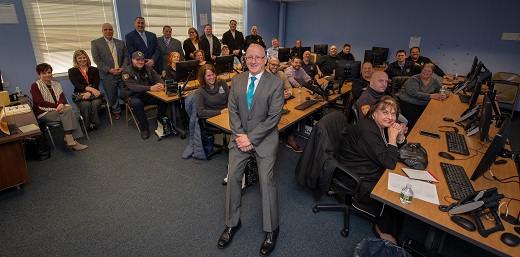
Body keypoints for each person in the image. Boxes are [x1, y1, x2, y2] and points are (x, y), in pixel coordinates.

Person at [217, 44, 284, 256]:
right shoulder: (236, 80)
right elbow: (233, 111)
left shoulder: (275, 83)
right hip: (239, 138)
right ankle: (232, 223)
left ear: (266, 59)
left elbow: (274, 117)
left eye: (258, 57)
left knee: (266, 181)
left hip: (263, 139)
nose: (253, 61)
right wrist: (240, 137)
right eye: (250, 58)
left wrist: (251, 138)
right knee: (233, 178)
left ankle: (272, 229)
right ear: (245, 59)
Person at [337, 95, 407, 245]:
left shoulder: (379, 125)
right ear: (374, 112)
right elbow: (389, 162)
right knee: (391, 187)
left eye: (393, 113)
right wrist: (393, 138)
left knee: (399, 178)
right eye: (385, 112)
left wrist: (399, 136)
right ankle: (383, 229)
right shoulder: (367, 130)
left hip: (367, 162)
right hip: (355, 170)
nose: (390, 117)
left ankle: (391, 225)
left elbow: (390, 152)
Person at [30, 63, 88, 151]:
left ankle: (70, 139)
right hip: (44, 112)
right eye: (44, 73)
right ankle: (71, 139)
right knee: (71, 113)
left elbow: (61, 98)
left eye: (49, 72)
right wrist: (58, 105)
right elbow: (40, 102)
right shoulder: (35, 86)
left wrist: (61, 104)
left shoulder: (56, 85)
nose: (47, 75)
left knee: (70, 113)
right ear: (39, 74)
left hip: (59, 110)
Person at [120, 51, 167, 140]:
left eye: (142, 60)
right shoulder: (127, 71)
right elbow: (133, 87)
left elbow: (157, 77)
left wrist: (161, 84)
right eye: (138, 60)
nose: (141, 62)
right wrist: (150, 88)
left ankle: (161, 121)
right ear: (133, 60)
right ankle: (144, 128)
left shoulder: (148, 67)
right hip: (132, 95)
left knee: (162, 99)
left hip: (147, 93)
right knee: (137, 104)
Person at [91, 23, 129, 121]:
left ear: (113, 30)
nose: (108, 31)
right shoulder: (96, 43)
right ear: (102, 31)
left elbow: (126, 57)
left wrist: (123, 68)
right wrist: (109, 70)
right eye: (106, 29)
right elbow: (97, 60)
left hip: (121, 73)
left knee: (127, 92)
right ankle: (116, 111)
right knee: (112, 95)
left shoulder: (120, 42)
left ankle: (131, 109)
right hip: (107, 75)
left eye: (110, 29)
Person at [395, 63, 446, 130]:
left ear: (432, 73)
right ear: (421, 70)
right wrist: (431, 96)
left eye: (429, 71)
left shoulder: (434, 81)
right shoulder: (414, 79)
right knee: (413, 117)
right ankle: (410, 134)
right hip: (406, 101)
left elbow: (444, 90)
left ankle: (424, 131)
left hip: (421, 102)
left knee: (431, 114)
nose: (426, 72)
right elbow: (413, 93)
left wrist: (444, 95)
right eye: (425, 70)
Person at [195, 64, 230, 154]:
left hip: (227, 113)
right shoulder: (200, 91)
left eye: (213, 74)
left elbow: (231, 98)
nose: (212, 77)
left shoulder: (221, 83)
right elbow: (200, 112)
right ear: (203, 77)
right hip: (212, 118)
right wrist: (220, 112)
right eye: (208, 75)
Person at [268, 57, 301, 152]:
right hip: (267, 105)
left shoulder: (281, 74)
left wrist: (289, 93)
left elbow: (289, 88)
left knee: (291, 113)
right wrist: (279, 95)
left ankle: (290, 138)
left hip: (280, 103)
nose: (275, 67)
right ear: (268, 64)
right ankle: (274, 134)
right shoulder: (263, 76)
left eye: (277, 65)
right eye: (273, 64)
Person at [68, 50, 102, 132]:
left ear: (87, 58)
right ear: (76, 59)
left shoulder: (94, 69)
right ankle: (87, 125)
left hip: (95, 94)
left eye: (84, 57)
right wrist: (90, 90)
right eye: (80, 58)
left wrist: (89, 92)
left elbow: (96, 83)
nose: (82, 60)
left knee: (96, 103)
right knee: (85, 104)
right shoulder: (72, 71)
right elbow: (77, 85)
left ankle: (94, 123)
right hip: (80, 94)